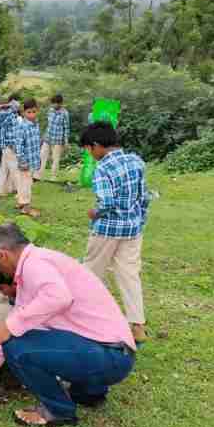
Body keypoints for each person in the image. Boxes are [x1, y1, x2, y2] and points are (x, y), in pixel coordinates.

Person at [0, 223, 136, 427]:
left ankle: (57, 411)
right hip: (114, 353)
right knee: (19, 337)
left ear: (2, 255)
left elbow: (58, 298)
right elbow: (22, 315)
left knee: (17, 347)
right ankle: (89, 393)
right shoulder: (40, 262)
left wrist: (7, 327)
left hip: (109, 356)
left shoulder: (35, 265)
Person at [80, 121, 148, 345]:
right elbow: (144, 196)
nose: (90, 154)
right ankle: (137, 325)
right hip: (132, 228)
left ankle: (87, 319)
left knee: (90, 272)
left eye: (89, 149)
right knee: (129, 274)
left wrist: (95, 212)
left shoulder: (103, 168)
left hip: (107, 229)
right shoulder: (136, 161)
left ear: (97, 145)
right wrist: (140, 220)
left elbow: (107, 202)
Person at [14, 99, 42, 217]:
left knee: (25, 183)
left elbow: (36, 144)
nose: (32, 114)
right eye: (29, 112)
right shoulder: (22, 126)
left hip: (33, 160)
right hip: (25, 162)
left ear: (37, 111)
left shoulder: (36, 125)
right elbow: (18, 146)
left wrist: (38, 159)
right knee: (26, 184)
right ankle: (26, 207)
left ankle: (21, 202)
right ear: (24, 112)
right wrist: (22, 160)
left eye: (34, 112)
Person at [38, 94, 70, 180]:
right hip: (48, 137)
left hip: (58, 139)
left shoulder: (65, 113)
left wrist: (66, 141)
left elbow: (66, 128)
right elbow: (49, 124)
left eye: (56, 103)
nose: (54, 105)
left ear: (60, 103)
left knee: (55, 158)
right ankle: (39, 175)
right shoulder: (50, 110)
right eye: (53, 103)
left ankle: (53, 176)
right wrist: (43, 136)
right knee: (42, 155)